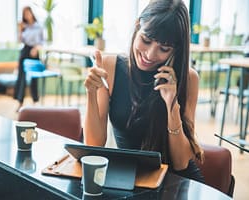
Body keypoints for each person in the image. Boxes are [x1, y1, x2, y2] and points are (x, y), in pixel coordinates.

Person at [84, 0, 204, 183]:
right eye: (146, 40)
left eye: (164, 49)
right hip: (131, 178)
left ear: (176, 50)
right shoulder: (111, 67)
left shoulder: (188, 78)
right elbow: (93, 145)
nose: (149, 54)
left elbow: (181, 163)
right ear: (137, 26)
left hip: (175, 181)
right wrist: (91, 93)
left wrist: (172, 104)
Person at [14, 6, 44, 110]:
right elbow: (19, 41)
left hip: (34, 52)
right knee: (21, 78)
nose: (27, 15)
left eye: (28, 13)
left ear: (31, 13)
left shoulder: (38, 26)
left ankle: (35, 101)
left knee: (34, 78)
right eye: (25, 14)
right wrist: (20, 30)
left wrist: (36, 48)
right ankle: (19, 102)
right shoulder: (24, 26)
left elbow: (42, 42)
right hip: (25, 51)